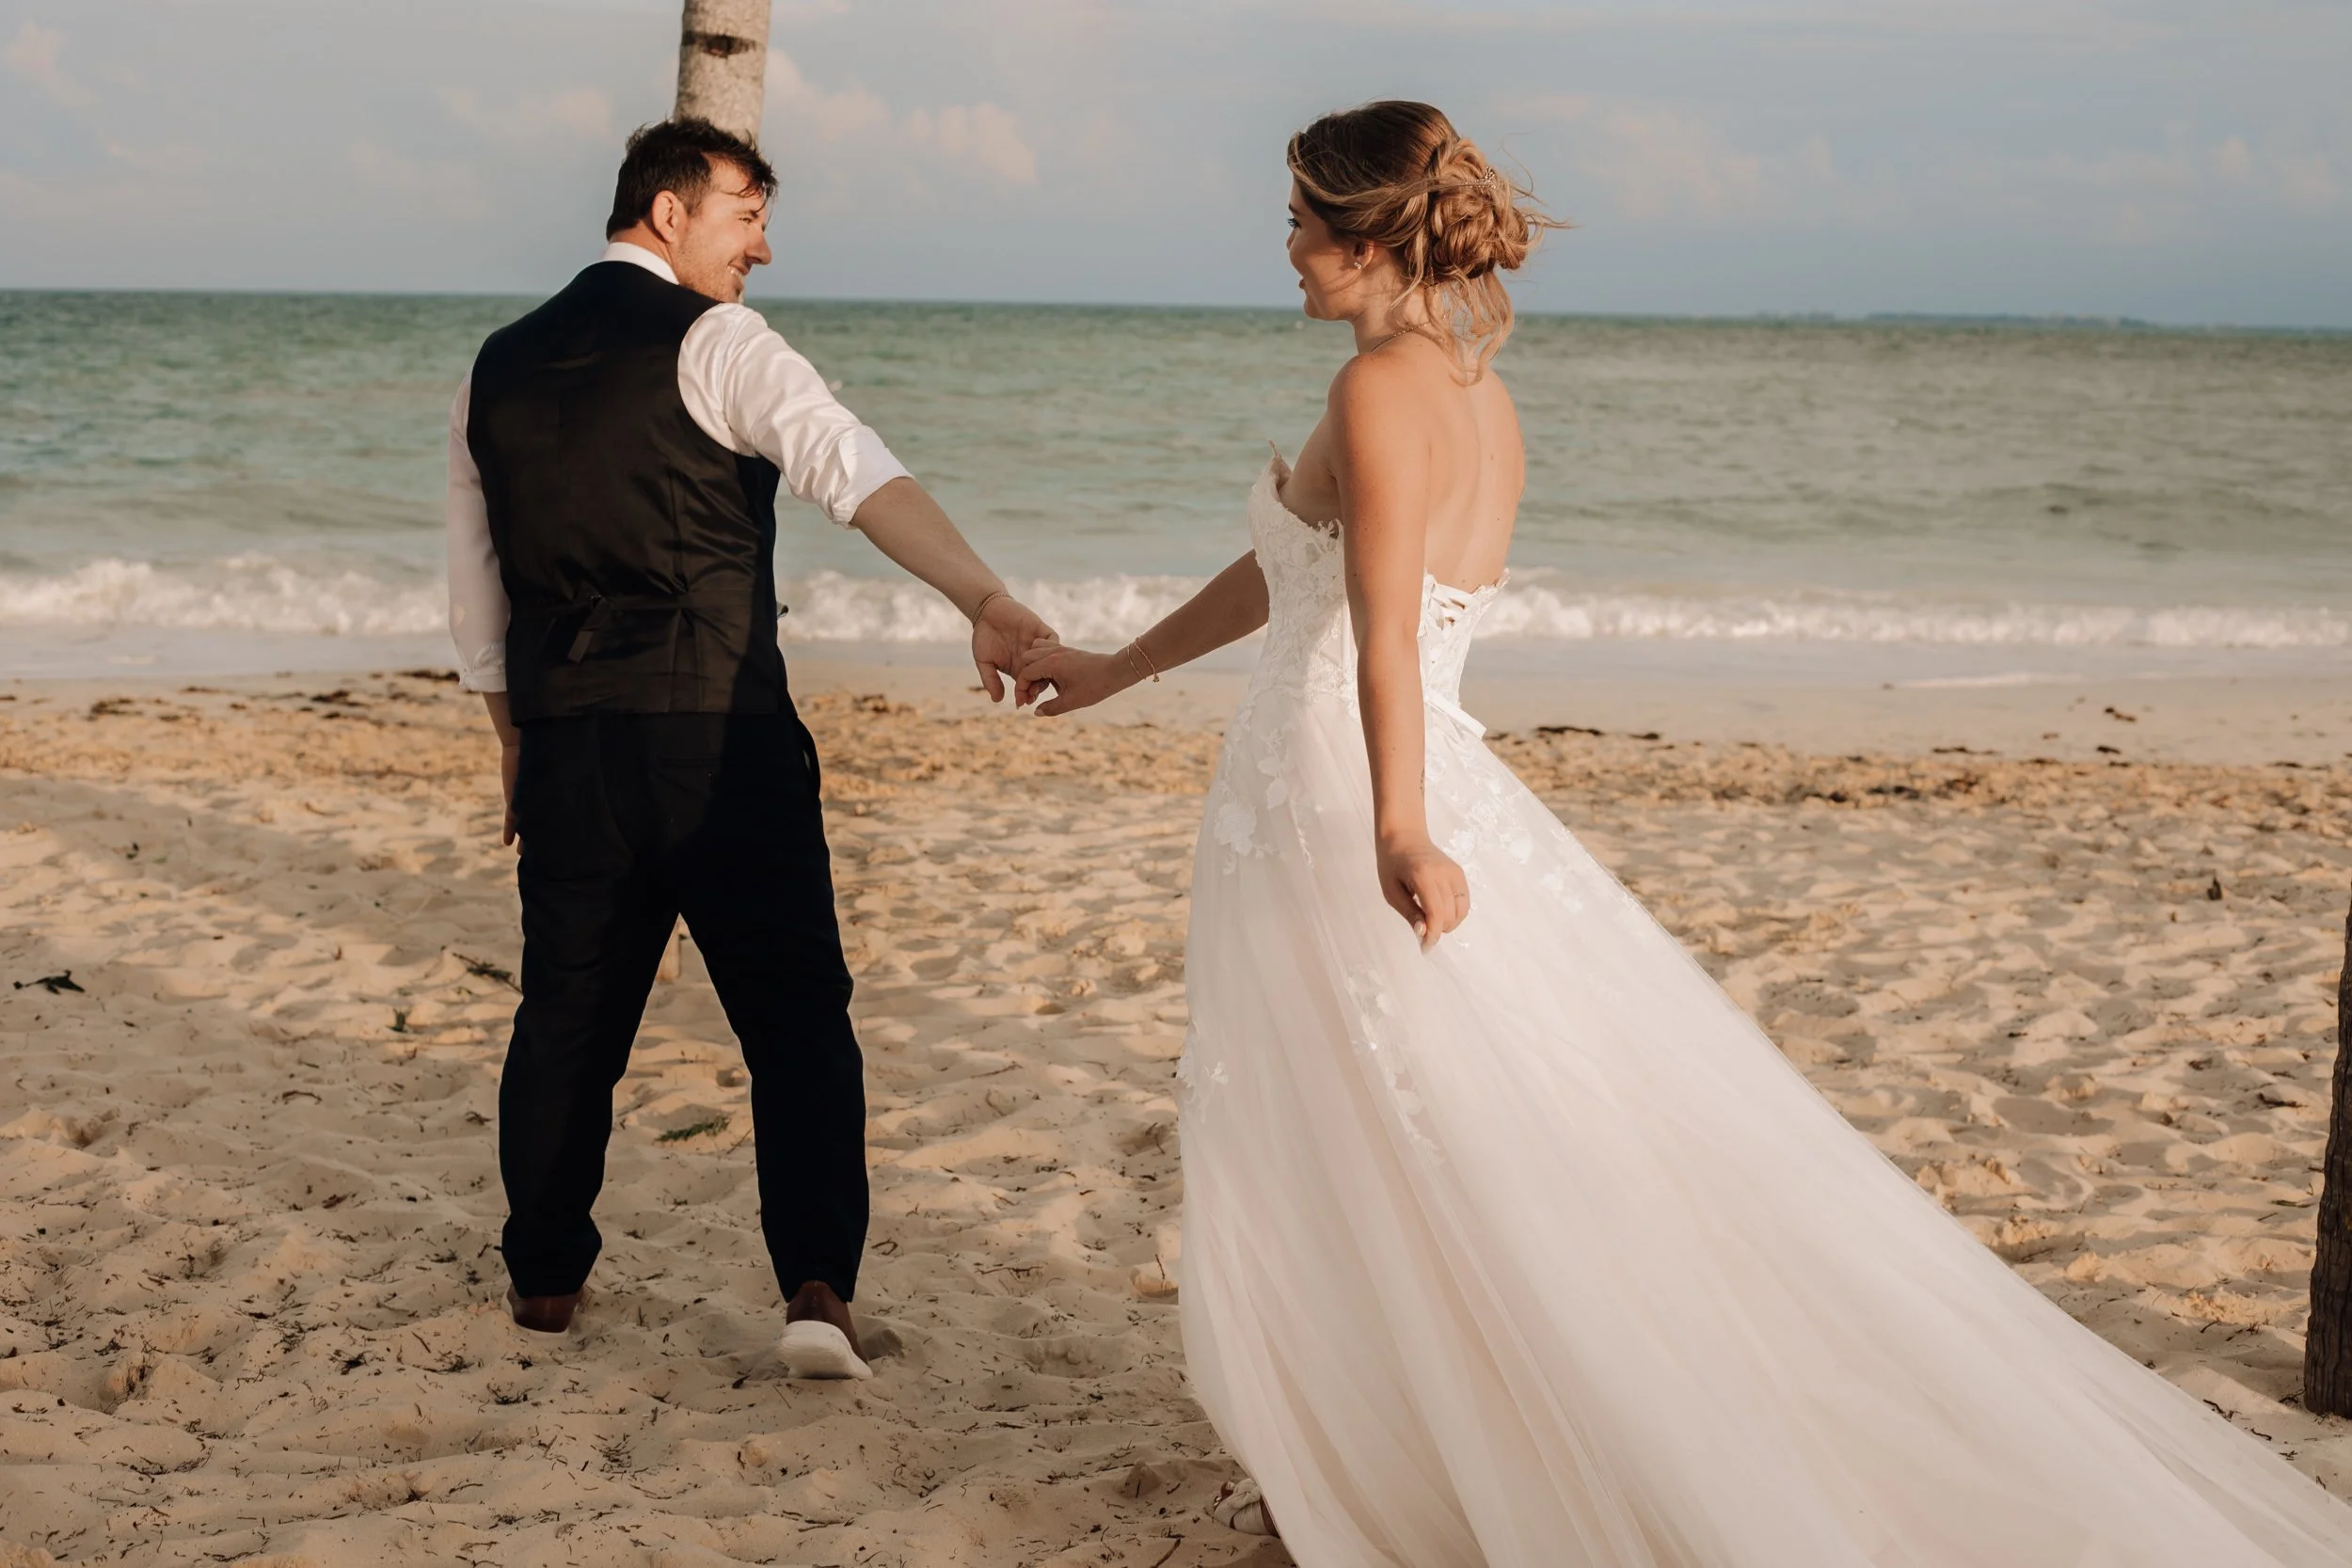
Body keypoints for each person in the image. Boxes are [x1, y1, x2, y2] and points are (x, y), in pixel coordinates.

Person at [1015, 101, 2352, 1565]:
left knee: (1371, 1135)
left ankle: (1405, 1459)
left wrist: (1396, 827)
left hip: (1345, 789)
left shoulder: (1388, 393)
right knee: (1374, 1131)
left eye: (1298, 224)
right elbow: (1300, 576)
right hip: (1374, 774)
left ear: (1368, 234)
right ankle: (1378, 1436)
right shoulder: (1467, 390)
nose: (1282, 251)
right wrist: (1112, 666)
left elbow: (1384, 638)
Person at [445, 118, 1052, 1378]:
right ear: (666, 214)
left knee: (565, 1018)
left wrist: (515, 743)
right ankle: (817, 1293)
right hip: (722, 744)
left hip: (568, 747)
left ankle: (545, 1280)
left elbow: (476, 602)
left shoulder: (493, 367)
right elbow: (853, 468)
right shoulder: (721, 341)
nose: (763, 247)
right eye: (746, 215)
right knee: (795, 1020)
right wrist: (981, 597)